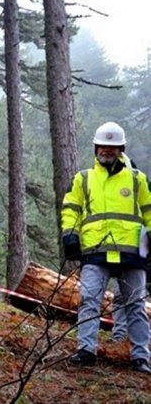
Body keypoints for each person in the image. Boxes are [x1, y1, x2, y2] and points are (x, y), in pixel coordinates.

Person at [62, 121, 151, 373]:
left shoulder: (137, 179)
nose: (107, 151)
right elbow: (71, 209)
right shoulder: (83, 179)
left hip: (132, 253)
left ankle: (140, 357)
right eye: (103, 146)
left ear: (121, 149)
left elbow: (149, 210)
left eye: (112, 147)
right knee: (89, 300)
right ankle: (86, 350)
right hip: (95, 252)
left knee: (135, 305)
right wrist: (69, 235)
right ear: (96, 148)